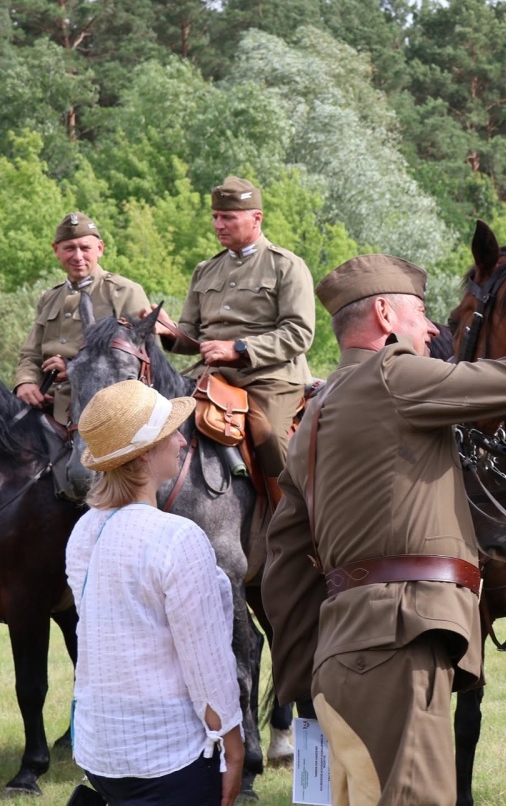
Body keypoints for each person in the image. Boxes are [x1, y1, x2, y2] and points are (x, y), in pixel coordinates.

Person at [262, 253, 506, 805]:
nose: (434, 327)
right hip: (401, 645)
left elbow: (285, 571)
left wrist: (308, 681)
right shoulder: (395, 374)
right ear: (385, 315)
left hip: (339, 661)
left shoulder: (313, 418)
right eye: (420, 313)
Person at [66, 379, 244, 806]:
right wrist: (234, 748)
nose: (183, 440)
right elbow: (207, 665)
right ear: (145, 452)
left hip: (100, 753)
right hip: (167, 758)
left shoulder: (83, 530)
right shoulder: (177, 537)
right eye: (171, 432)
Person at [154, 176, 315, 501]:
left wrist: (238, 349)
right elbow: (193, 337)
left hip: (269, 379)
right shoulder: (205, 270)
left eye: (228, 217)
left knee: (269, 437)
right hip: (213, 379)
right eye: (215, 216)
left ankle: (295, 517)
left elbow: (299, 334)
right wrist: (166, 332)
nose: (218, 224)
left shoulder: (286, 266)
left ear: (256, 218)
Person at [14, 213, 149, 426]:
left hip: (100, 413)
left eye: (85, 248)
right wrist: (26, 382)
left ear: (100, 249)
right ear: (56, 250)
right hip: (46, 411)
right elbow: (30, 354)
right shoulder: (49, 298)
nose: (78, 256)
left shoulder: (124, 292)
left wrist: (75, 368)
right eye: (69, 248)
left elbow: (143, 362)